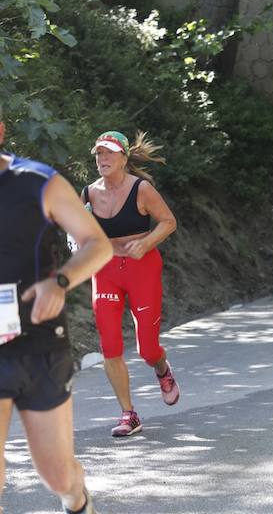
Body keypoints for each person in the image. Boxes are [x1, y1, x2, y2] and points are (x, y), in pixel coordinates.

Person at [1, 109, 113, 514]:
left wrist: (60, 282)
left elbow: (96, 244)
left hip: (39, 344)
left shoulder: (37, 182)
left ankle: (77, 500)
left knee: (56, 474)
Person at [82, 131, 179, 437]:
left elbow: (168, 221)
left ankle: (161, 368)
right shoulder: (88, 193)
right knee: (110, 344)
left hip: (142, 267)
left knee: (148, 348)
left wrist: (147, 243)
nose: (103, 159)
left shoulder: (141, 189)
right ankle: (129, 414)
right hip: (106, 270)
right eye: (99, 153)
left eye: (109, 153)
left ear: (123, 157)